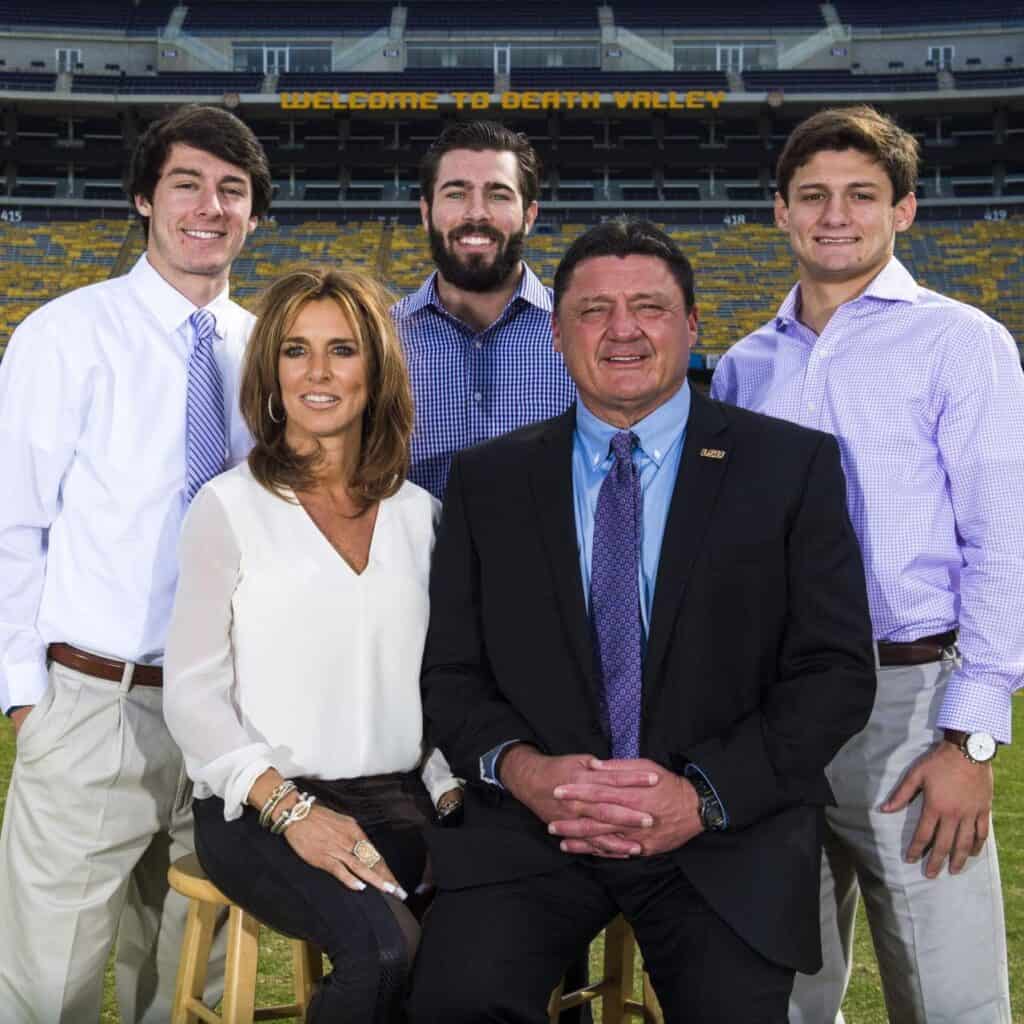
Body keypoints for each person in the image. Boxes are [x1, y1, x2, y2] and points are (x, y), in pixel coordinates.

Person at [407, 219, 877, 1023]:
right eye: (593, 311)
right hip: (536, 827)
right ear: (557, 335)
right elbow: (451, 672)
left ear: (693, 325)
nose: (621, 330)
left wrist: (701, 797)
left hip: (722, 829)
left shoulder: (792, 466)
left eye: (649, 308)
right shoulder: (489, 480)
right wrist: (527, 773)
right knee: (457, 1003)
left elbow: (834, 673)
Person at [711, 105, 1019, 1024]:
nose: (834, 215)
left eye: (860, 195)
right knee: (786, 983)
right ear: (779, 212)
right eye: (812, 196)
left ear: (905, 211)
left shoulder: (962, 342)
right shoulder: (742, 367)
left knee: (948, 990)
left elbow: (1004, 544)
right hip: (769, 708)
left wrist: (969, 739)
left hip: (908, 701)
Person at [0, 104, 270, 1023]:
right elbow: (12, 524)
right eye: (187, 183)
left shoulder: (268, 349)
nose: (210, 206)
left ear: (254, 215)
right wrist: (24, 697)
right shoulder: (65, 334)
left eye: (232, 190)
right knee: (51, 985)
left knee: (187, 979)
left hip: (228, 711)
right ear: (143, 200)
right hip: (94, 700)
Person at [163, 265, 462, 1023]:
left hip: (397, 801)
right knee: (385, 955)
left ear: (378, 371)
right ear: (271, 373)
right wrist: (291, 811)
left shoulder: (421, 516)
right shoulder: (229, 506)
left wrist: (452, 785)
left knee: (499, 940)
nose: (318, 373)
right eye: (296, 351)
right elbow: (193, 694)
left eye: (343, 350)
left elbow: (436, 683)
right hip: (260, 808)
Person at [392, 119, 574, 500]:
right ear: (426, 212)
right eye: (456, 194)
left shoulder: (584, 332)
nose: (476, 214)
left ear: (530, 214)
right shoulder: (379, 336)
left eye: (499, 195)